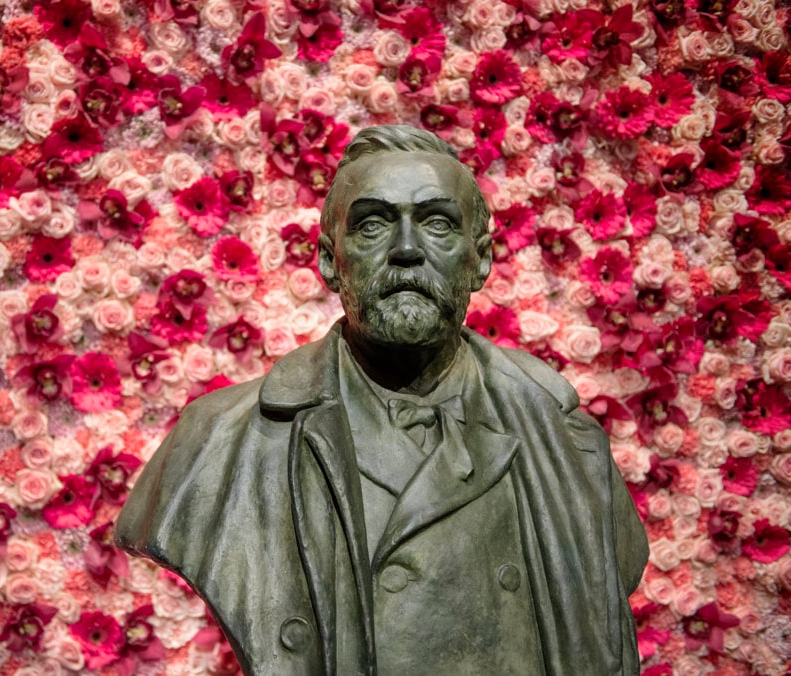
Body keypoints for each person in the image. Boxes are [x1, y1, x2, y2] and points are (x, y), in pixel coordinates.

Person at [115, 125, 648, 675]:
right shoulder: (219, 440)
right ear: (330, 261)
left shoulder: (566, 443)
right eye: (372, 224)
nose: (407, 250)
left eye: (438, 223)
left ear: (481, 259)